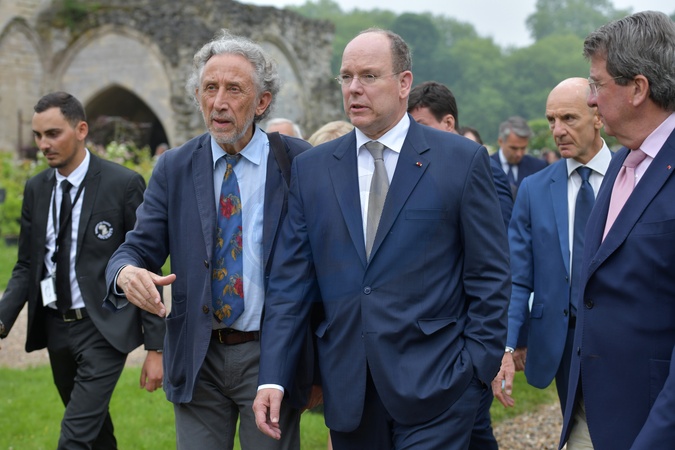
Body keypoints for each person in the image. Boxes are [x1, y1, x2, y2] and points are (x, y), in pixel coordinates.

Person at [253, 28, 510, 450]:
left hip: (440, 384)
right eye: (346, 76)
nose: (354, 88)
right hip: (349, 389)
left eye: (369, 76)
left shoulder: (460, 162)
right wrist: (273, 378)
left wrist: (476, 368)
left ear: (404, 83)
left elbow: (490, 274)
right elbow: (289, 285)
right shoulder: (313, 170)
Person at [104, 30, 313, 450]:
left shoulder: (299, 162)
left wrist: (318, 367)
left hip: (271, 353)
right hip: (198, 354)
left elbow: (324, 264)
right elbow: (138, 247)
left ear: (262, 102)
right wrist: (124, 272)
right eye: (209, 88)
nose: (218, 102)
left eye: (234, 89)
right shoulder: (174, 167)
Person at [0, 91, 165, 449]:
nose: (43, 144)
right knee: (95, 432)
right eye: (38, 135)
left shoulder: (123, 184)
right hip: (55, 327)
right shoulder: (36, 188)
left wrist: (156, 348)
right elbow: (27, 265)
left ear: (81, 130)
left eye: (53, 133)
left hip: (102, 327)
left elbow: (147, 264)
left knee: (73, 438)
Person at [559, 12, 675, 449]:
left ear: (638, 88)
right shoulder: (622, 162)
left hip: (650, 424)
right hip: (589, 412)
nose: (590, 100)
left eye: (597, 84)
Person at [490, 78, 611, 418]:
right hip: (561, 342)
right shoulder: (535, 189)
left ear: (598, 116)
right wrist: (507, 347)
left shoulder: (630, 177)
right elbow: (518, 278)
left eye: (568, 118)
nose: (557, 130)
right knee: (578, 426)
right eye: (551, 120)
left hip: (620, 338)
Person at [407, 80, 513, 450]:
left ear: (448, 123)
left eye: (421, 126)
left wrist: (479, 358)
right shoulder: (415, 167)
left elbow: (494, 256)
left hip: (462, 345)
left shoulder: (476, 165)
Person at [408, 80, 513, 231]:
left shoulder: (482, 167)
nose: (415, 135)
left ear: (448, 123)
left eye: (422, 126)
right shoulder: (419, 167)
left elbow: (498, 232)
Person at [491, 116, 547, 197]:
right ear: (500, 141)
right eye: (514, 148)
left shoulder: (538, 167)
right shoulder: (487, 165)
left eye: (523, 148)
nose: (519, 154)